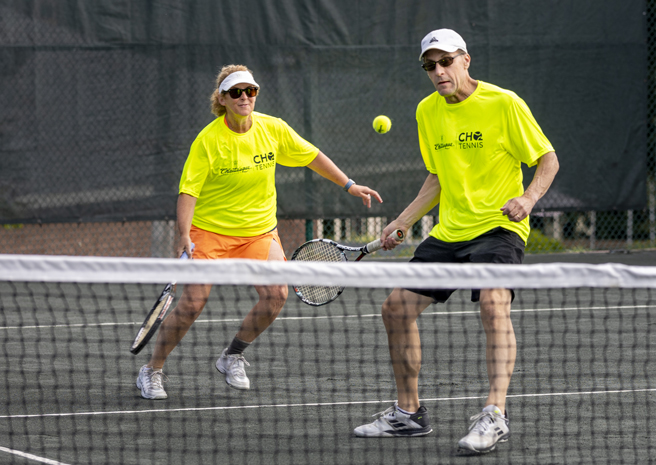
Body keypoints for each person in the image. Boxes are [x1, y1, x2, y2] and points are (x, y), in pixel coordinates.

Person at [353, 29, 559, 455]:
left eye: (446, 61)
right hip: (449, 231)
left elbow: (547, 158)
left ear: (466, 60)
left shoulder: (504, 103)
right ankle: (408, 414)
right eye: (430, 65)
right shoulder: (427, 111)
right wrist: (403, 221)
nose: (438, 71)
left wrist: (528, 198)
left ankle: (494, 414)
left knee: (493, 303)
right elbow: (437, 176)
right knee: (395, 309)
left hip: (498, 227)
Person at [136, 64, 382, 400]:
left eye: (250, 91)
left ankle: (232, 355)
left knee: (276, 295)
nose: (245, 97)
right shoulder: (207, 141)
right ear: (222, 98)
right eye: (236, 92)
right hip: (210, 232)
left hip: (259, 232)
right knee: (192, 304)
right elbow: (188, 192)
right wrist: (183, 235)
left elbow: (312, 156)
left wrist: (349, 185)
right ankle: (152, 370)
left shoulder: (273, 128)